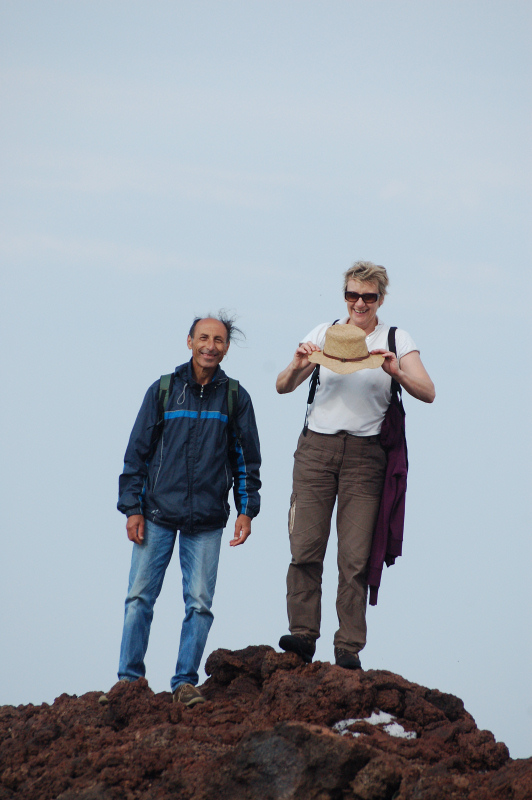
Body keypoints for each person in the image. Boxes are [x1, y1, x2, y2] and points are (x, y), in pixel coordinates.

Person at [276, 261, 435, 670]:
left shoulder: (396, 338)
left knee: (355, 557)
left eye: (368, 296)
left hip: (366, 458)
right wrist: (299, 362)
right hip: (316, 451)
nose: (359, 303)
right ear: (344, 296)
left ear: (381, 297)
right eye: (352, 295)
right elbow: (282, 385)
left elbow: (428, 391)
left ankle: (348, 647)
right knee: (304, 548)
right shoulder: (323, 333)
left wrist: (396, 371)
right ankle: (302, 635)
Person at [116, 314, 261, 706]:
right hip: (157, 515)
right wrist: (132, 508)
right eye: (203, 338)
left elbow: (247, 462)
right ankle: (129, 682)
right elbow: (137, 456)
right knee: (138, 598)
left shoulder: (235, 397)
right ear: (189, 341)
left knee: (199, 605)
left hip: (208, 521)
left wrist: (246, 511)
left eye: (218, 340)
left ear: (226, 347)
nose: (210, 346)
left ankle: (184, 684)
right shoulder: (163, 390)